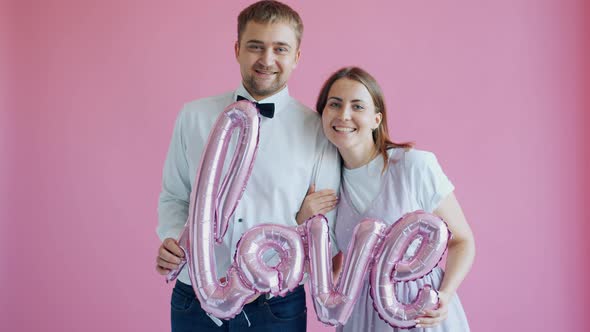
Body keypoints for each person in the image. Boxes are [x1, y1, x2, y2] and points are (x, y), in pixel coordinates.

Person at [155, 1, 340, 331]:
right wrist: (171, 238)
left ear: (296, 56)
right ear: (238, 49)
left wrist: (267, 271)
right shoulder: (193, 116)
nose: (267, 60)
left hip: (275, 304)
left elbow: (325, 228)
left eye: (280, 49)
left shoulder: (318, 131)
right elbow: (174, 197)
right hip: (193, 297)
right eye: (256, 46)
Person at [298, 66, 475, 331]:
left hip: (418, 310)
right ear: (323, 114)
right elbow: (329, 274)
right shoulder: (326, 185)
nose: (344, 115)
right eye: (335, 104)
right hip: (360, 316)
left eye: (358, 106)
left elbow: (463, 240)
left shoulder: (414, 166)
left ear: (376, 119)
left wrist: (445, 295)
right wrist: (303, 221)